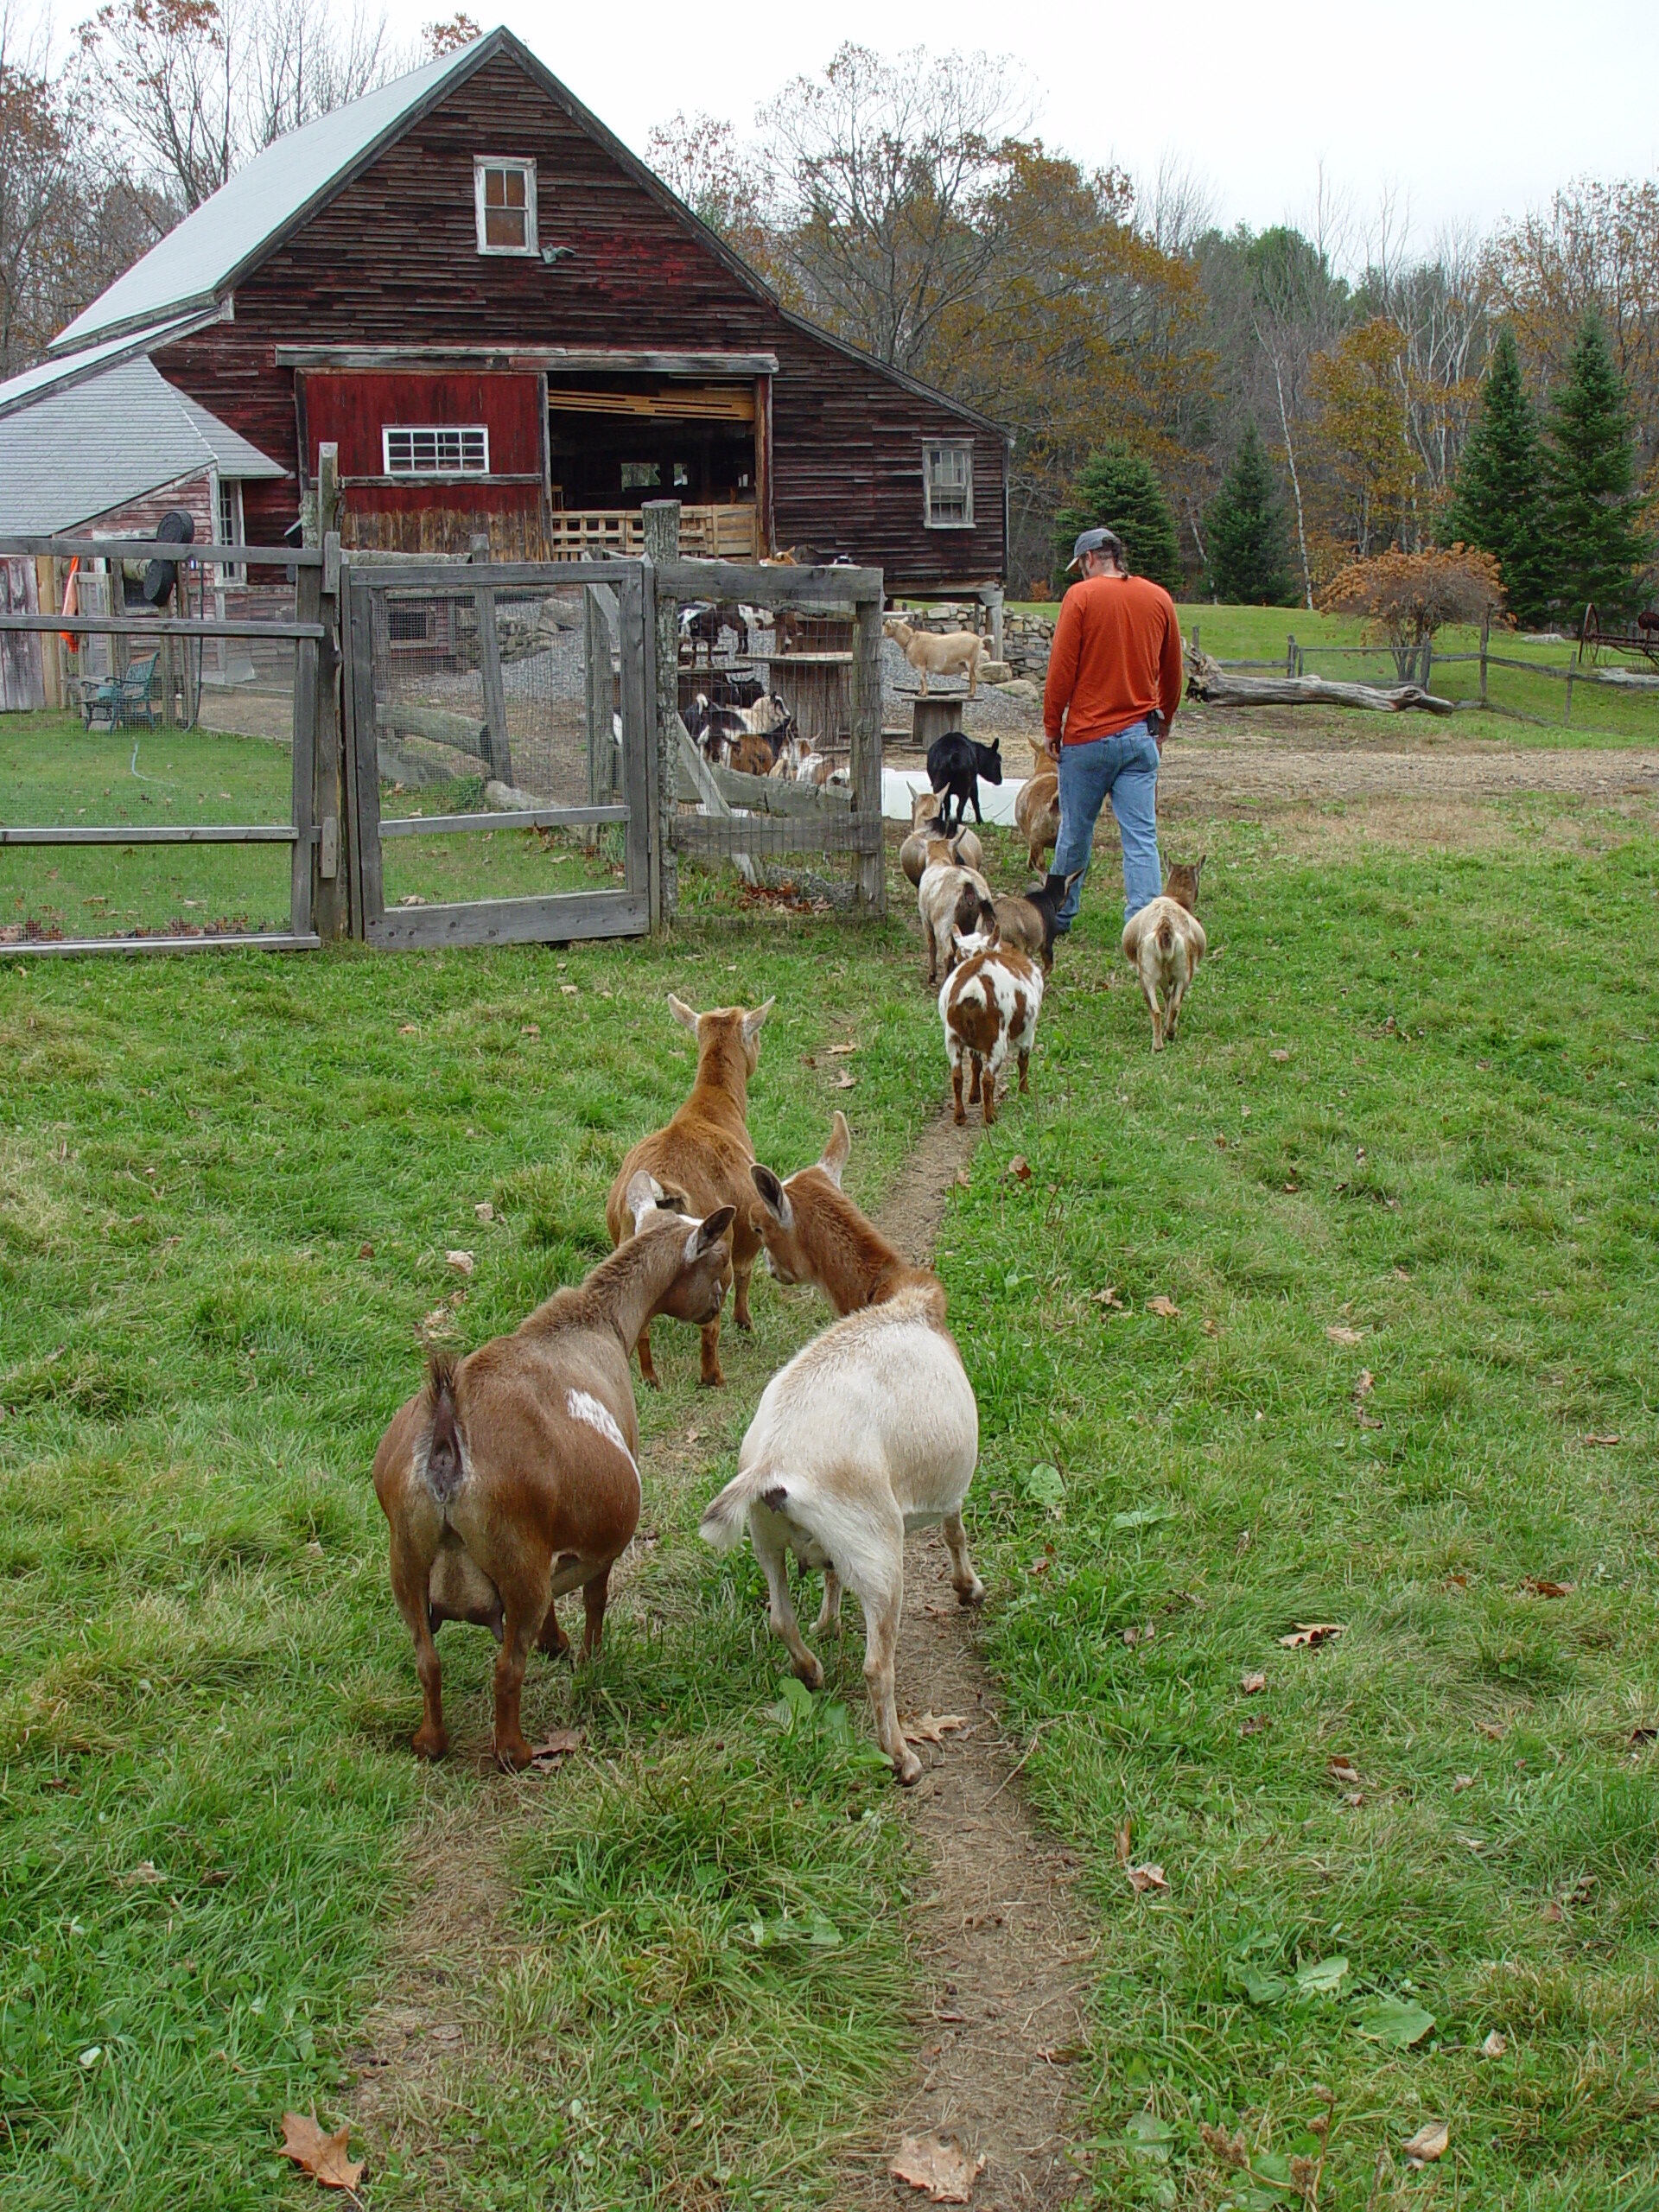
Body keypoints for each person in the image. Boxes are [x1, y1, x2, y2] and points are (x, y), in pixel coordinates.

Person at [1041, 526, 1184, 933]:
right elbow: (1173, 671)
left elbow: (1062, 670)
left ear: (1088, 559)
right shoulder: (1158, 598)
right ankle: (1145, 924)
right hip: (1140, 737)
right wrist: (1166, 718)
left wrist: (1053, 724)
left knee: (1075, 833)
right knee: (1141, 837)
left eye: (1079, 567)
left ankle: (1058, 915)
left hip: (1087, 739)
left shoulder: (1081, 597)